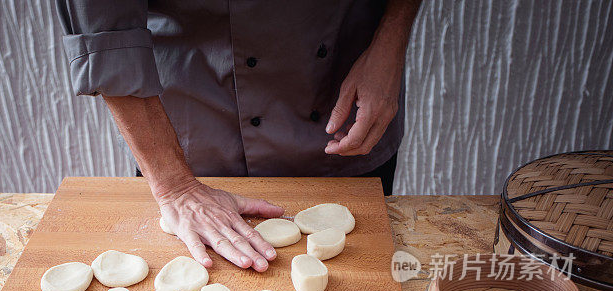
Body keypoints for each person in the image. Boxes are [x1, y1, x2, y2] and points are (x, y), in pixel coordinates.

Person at [54, 1, 421, 271]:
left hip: (341, 96)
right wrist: (175, 186)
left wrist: (391, 42)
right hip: (191, 126)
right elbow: (104, 35)